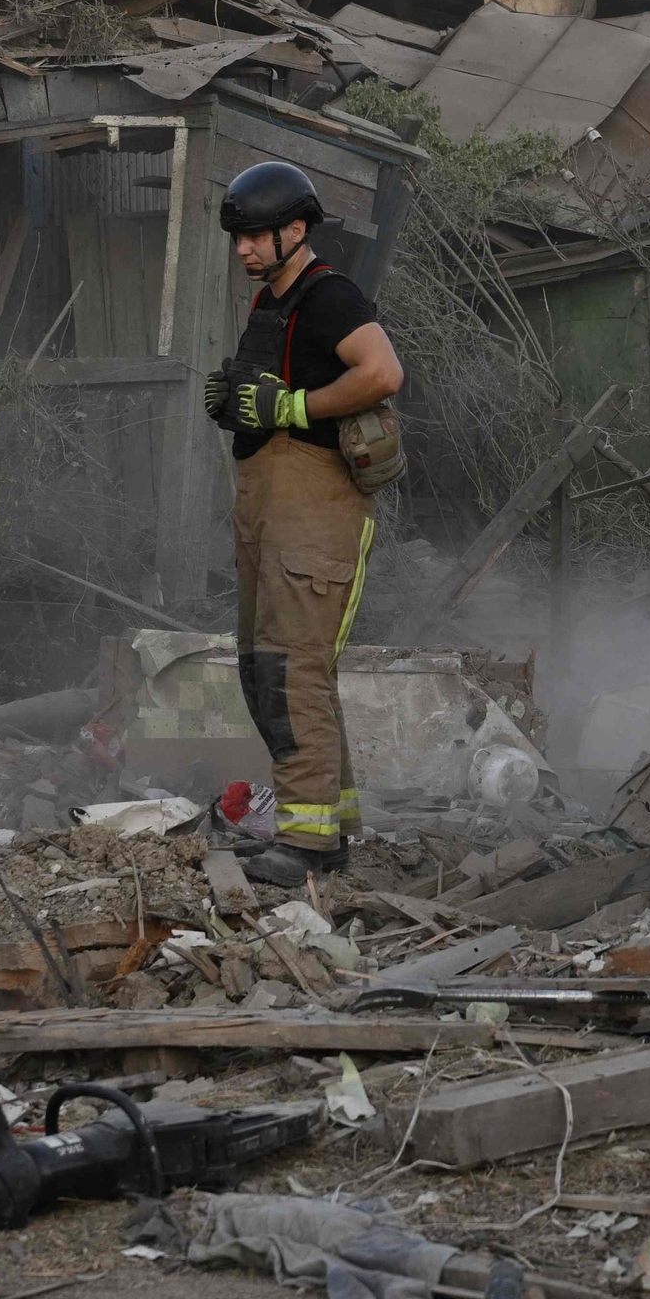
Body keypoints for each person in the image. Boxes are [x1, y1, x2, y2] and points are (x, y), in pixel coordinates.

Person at [198, 160, 405, 886]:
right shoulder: (270, 304)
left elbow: (382, 372)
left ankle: (306, 844)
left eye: (255, 235)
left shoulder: (329, 296)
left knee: (293, 673)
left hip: (316, 505)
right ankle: (329, 825)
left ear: (295, 229)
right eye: (238, 237)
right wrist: (241, 403)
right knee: (267, 671)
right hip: (266, 501)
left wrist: (289, 408)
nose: (244, 249)